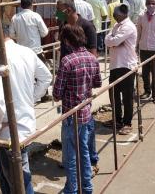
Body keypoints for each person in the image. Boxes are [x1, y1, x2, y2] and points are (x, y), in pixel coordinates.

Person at [0, 21, 52, 193]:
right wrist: (31, 98)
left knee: (18, 179)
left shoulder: (0, 57)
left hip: (10, 128)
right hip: (25, 122)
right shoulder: (26, 51)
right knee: (9, 172)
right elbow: (46, 77)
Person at [53, 24, 102, 194]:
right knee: (84, 152)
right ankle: (87, 188)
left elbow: (57, 93)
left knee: (71, 157)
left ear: (67, 41)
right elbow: (98, 83)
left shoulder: (67, 61)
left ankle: (72, 190)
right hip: (86, 113)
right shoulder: (92, 58)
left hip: (70, 115)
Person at [55, 0, 100, 174]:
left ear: (67, 9)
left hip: (82, 82)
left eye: (59, 9)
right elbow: (63, 53)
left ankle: (91, 159)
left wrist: (80, 76)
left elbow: (93, 55)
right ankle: (69, 159)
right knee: (69, 124)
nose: (57, 13)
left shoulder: (87, 26)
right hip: (67, 79)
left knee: (86, 123)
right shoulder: (63, 25)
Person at [104, 4, 137, 135]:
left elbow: (114, 41)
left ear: (122, 14)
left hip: (126, 65)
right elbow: (108, 40)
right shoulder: (117, 26)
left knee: (127, 96)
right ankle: (117, 119)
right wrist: (113, 40)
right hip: (115, 65)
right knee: (114, 94)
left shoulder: (128, 26)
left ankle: (127, 122)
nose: (113, 15)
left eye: (115, 14)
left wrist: (114, 41)